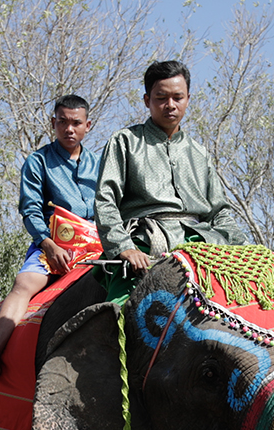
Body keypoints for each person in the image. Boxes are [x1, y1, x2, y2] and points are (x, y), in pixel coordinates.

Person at [0, 95, 101, 377]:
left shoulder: (102, 164)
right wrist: (48, 243)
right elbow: (30, 210)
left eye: (76, 123)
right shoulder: (38, 161)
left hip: (97, 247)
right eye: (63, 122)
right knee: (24, 284)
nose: (69, 129)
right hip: (53, 245)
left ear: (88, 125)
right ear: (53, 123)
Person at [94, 60, 246, 276]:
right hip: (145, 242)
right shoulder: (125, 142)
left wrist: (246, 247)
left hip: (203, 244)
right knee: (123, 303)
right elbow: (105, 201)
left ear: (188, 99)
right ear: (147, 101)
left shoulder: (199, 153)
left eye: (178, 98)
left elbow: (218, 212)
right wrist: (123, 247)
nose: (171, 105)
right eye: (161, 98)